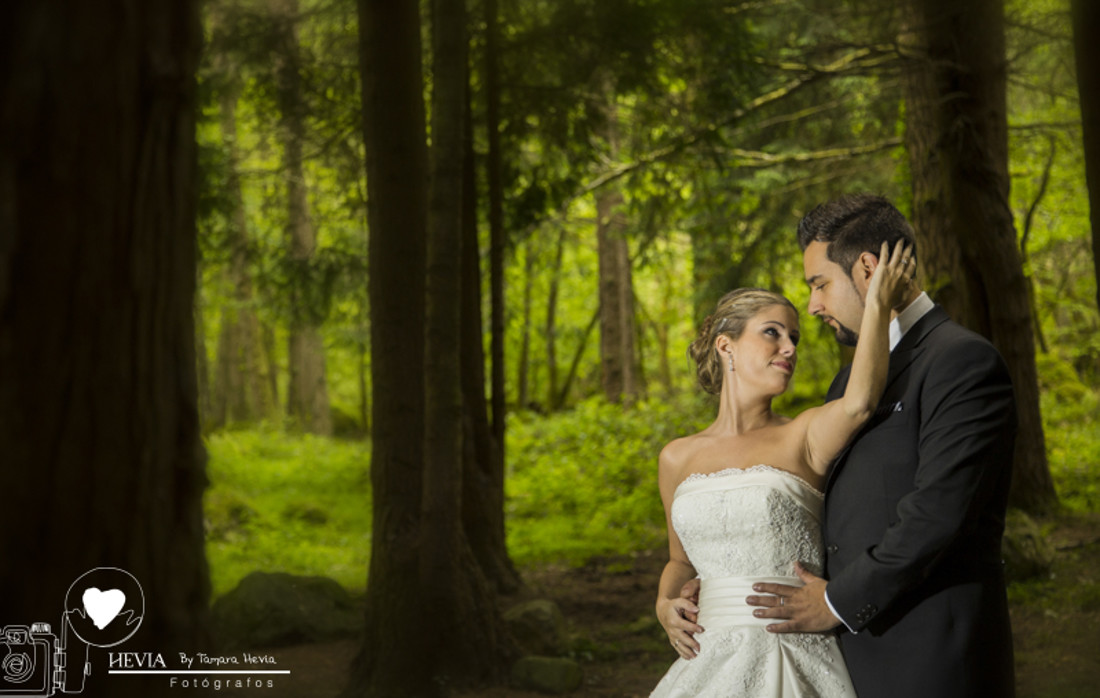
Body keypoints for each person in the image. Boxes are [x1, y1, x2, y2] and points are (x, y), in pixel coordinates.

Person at [729, 194, 1017, 697]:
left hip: (931, 656)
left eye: (820, 284)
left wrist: (836, 602)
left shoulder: (961, 361)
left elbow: (938, 514)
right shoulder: (847, 385)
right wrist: (720, 583)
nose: (813, 306)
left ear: (867, 269)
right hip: (848, 659)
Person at [651, 239, 914, 698]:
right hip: (705, 662)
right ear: (726, 345)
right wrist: (663, 603)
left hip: (791, 653)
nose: (789, 347)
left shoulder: (804, 434)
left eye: (794, 338)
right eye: (772, 333)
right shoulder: (676, 457)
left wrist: (877, 303)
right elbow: (680, 561)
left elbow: (859, 403)